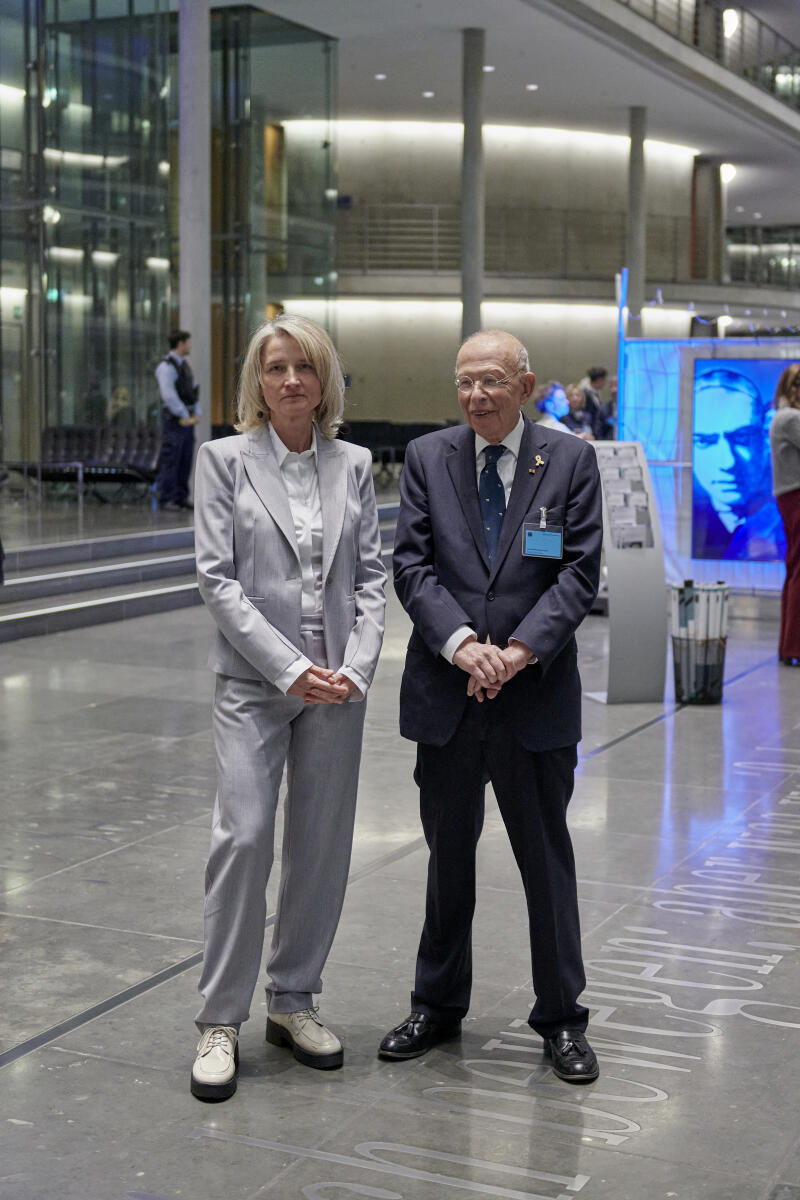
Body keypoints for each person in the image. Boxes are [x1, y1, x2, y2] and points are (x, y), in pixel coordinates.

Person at [379, 328, 603, 1083]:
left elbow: (576, 573)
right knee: (448, 860)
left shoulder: (569, 459)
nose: (476, 396)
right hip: (449, 693)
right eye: (465, 383)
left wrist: (515, 652)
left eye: (492, 382)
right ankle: (436, 1006)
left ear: (526, 383)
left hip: (532, 695)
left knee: (545, 862)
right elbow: (410, 566)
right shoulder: (426, 458)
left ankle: (563, 1019)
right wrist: (463, 644)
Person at [191, 313, 386, 1101]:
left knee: (321, 845)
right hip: (254, 680)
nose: (292, 381)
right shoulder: (223, 461)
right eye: (276, 368)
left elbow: (372, 580)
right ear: (257, 382)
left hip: (336, 685)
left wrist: (355, 669)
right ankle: (219, 1018)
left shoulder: (356, 464)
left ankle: (294, 999)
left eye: (305, 367)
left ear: (325, 379)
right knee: (243, 836)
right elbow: (218, 579)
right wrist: (291, 667)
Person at [692, 367, 785, 561]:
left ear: (766, 438)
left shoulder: (788, 516)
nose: (728, 462)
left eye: (742, 438)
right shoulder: (678, 523)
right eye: (704, 441)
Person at [770, 363, 800, 665]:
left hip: (791, 497)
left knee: (795, 570)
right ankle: (793, 646)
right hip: (796, 497)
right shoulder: (790, 418)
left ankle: (789, 645)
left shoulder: (785, 417)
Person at [155, 329, 200, 510]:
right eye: (188, 342)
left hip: (187, 419)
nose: (190, 346)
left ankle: (181, 496)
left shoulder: (184, 366)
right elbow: (169, 396)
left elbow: (193, 391)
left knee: (185, 458)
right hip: (175, 420)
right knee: (172, 458)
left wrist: (196, 413)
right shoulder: (166, 367)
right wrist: (183, 414)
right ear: (180, 343)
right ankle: (167, 498)